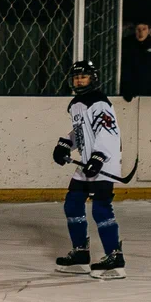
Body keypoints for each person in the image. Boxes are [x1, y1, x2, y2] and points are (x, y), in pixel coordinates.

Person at [53, 61, 125, 280]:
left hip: (104, 162)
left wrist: (99, 157)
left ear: (92, 79)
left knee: (100, 209)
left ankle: (115, 257)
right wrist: (66, 143)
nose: (79, 81)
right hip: (87, 163)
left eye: (83, 77)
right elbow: (81, 131)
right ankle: (81, 253)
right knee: (73, 203)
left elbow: (108, 132)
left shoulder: (99, 102)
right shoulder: (75, 104)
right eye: (76, 77)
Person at [120, 20, 151, 103]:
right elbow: (123, 68)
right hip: (131, 91)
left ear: (148, 30)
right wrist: (126, 88)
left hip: (150, 92)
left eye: (144, 29)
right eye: (138, 29)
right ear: (134, 29)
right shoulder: (126, 43)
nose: (141, 33)